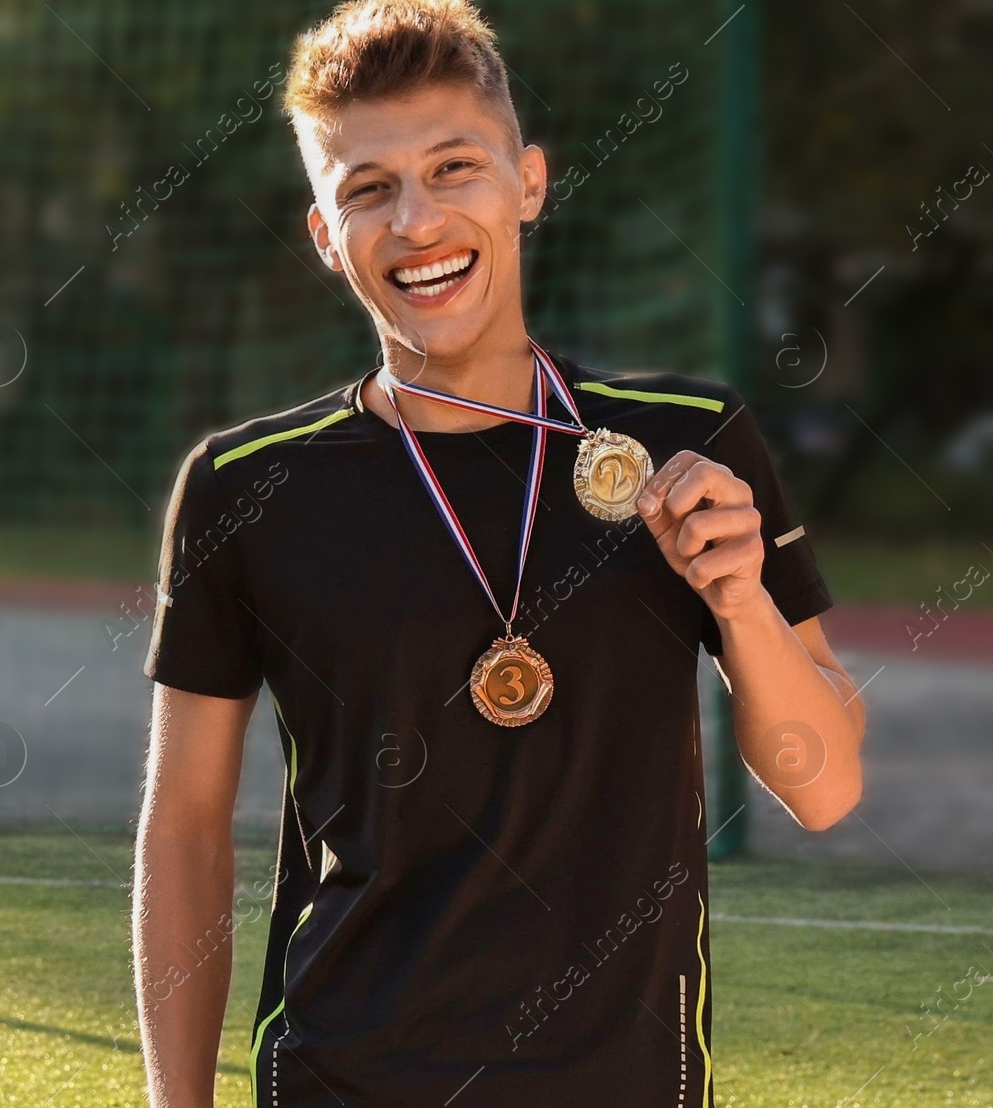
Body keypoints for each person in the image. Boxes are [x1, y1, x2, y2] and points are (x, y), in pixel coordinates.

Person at [132, 2, 865, 1104]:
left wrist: (744, 599)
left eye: (452, 168)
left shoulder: (686, 441)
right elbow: (185, 826)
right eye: (367, 190)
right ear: (327, 235)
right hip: (342, 1078)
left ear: (527, 182)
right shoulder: (248, 486)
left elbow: (828, 788)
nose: (417, 222)